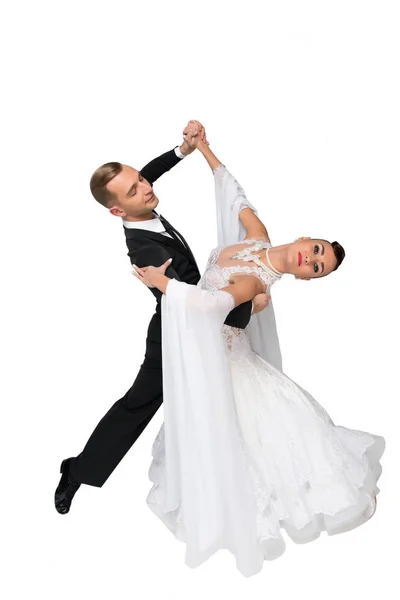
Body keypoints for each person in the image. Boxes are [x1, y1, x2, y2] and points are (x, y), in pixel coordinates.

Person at [132, 134, 385, 577]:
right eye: (319, 250)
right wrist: (203, 148)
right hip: (220, 354)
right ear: (307, 237)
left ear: (306, 278)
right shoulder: (256, 238)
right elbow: (235, 193)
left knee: (244, 440)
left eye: (317, 268)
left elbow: (211, 307)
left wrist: (163, 284)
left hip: (225, 362)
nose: (312, 260)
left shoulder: (256, 283)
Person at [54, 120, 260, 515]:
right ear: (117, 210)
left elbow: (147, 174)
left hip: (199, 317)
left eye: (141, 181)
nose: (147, 188)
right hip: (176, 330)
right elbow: (197, 300)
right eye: (135, 189)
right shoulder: (146, 251)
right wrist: (250, 301)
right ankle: (77, 471)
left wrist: (183, 150)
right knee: (139, 406)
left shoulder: (139, 201)